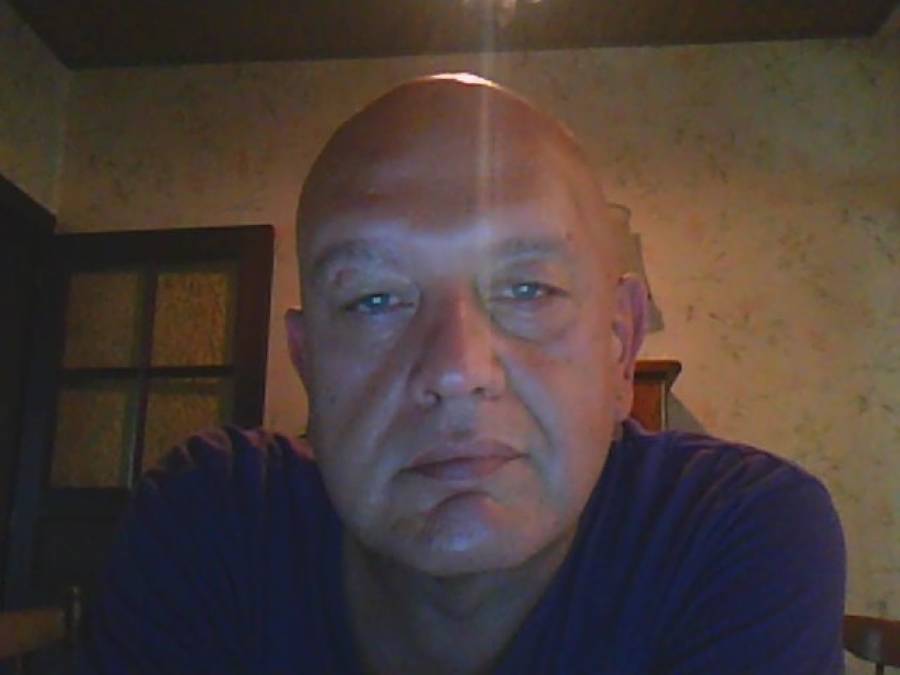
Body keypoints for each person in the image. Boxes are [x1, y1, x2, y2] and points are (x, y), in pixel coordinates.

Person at [76, 73, 846, 674]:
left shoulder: (735, 532)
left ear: (620, 349)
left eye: (528, 289)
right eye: (374, 298)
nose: (456, 369)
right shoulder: (211, 528)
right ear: (308, 364)